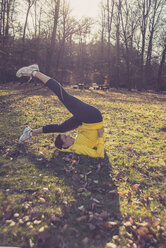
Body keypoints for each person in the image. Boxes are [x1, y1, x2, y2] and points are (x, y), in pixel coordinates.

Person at [16, 64, 105, 158]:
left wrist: (99, 136)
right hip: (92, 117)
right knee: (64, 97)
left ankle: (30, 132)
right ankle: (34, 72)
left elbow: (60, 147)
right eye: (66, 137)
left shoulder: (72, 147)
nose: (69, 136)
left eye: (66, 136)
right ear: (65, 145)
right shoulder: (77, 148)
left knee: (61, 127)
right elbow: (99, 154)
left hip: (86, 121)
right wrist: (100, 136)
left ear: (65, 146)